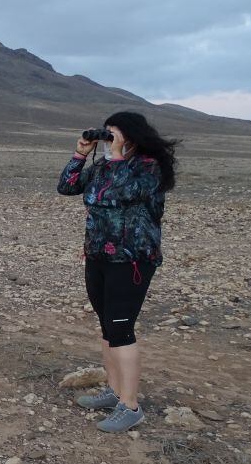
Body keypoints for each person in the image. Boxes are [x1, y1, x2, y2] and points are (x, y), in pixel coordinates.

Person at [57, 110, 178, 433]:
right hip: (98, 255)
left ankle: (131, 406)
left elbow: (117, 194)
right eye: (107, 133)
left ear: (131, 135)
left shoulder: (148, 168)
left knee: (122, 330)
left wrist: (116, 154)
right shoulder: (104, 166)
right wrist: (80, 154)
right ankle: (114, 391)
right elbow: (67, 187)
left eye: (113, 133)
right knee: (108, 327)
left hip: (132, 259)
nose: (109, 138)